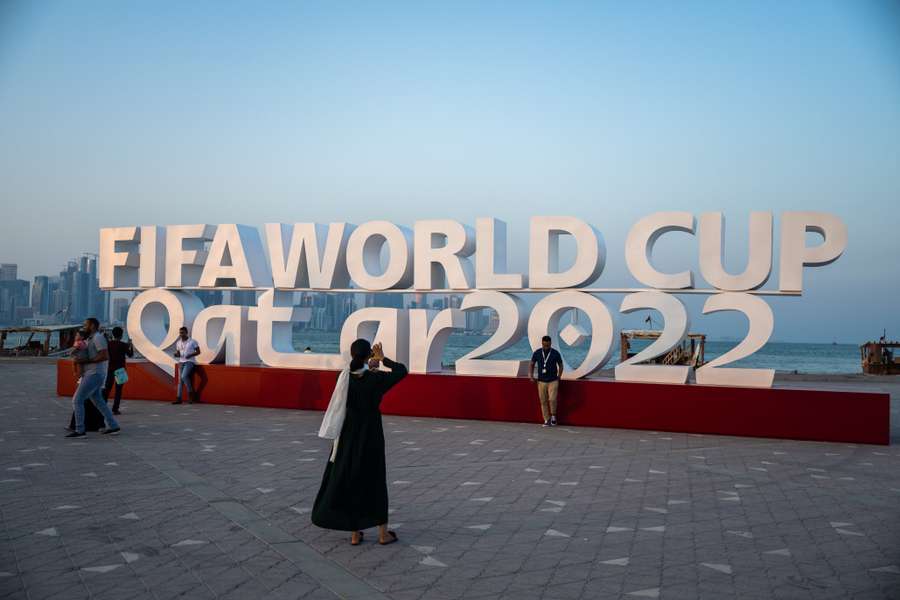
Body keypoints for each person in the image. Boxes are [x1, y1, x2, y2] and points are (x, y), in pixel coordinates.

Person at [312, 340, 407, 546]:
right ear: (368, 356)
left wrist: (368, 365)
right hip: (371, 434)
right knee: (375, 480)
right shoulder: (376, 378)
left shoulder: (344, 377)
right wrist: (383, 359)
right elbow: (402, 371)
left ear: (353, 355)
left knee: (353, 477)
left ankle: (355, 534)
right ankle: (383, 534)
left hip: (348, 435)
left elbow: (355, 373)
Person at [66, 318, 121, 438]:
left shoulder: (98, 338)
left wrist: (86, 360)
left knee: (77, 400)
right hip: (92, 373)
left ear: (92, 326)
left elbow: (104, 355)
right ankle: (113, 426)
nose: (84, 327)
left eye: (86, 325)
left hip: (94, 374)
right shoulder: (90, 338)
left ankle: (80, 430)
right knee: (99, 402)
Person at [529, 335, 564, 427]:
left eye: (547, 346)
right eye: (544, 345)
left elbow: (561, 365)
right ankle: (546, 419)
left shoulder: (555, 353)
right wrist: (531, 376)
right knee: (543, 401)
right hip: (541, 381)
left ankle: (553, 417)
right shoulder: (537, 353)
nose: (546, 347)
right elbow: (532, 364)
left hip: (553, 380)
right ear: (542, 343)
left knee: (552, 399)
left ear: (550, 344)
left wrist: (559, 376)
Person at [104, 326, 133, 415]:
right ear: (121, 335)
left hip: (110, 368)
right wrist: (130, 346)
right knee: (118, 390)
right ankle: (115, 409)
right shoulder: (123, 345)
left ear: (113, 334)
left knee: (107, 389)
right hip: (120, 369)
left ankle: (102, 406)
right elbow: (130, 355)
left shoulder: (109, 344)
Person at [173, 326, 201, 404]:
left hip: (190, 361)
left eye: (182, 333)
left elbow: (198, 352)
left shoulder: (192, 341)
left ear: (186, 332)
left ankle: (191, 394)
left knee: (184, 376)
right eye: (180, 333)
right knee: (180, 381)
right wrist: (176, 354)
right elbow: (178, 353)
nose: (181, 334)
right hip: (181, 362)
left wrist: (191, 355)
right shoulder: (178, 343)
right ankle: (179, 398)